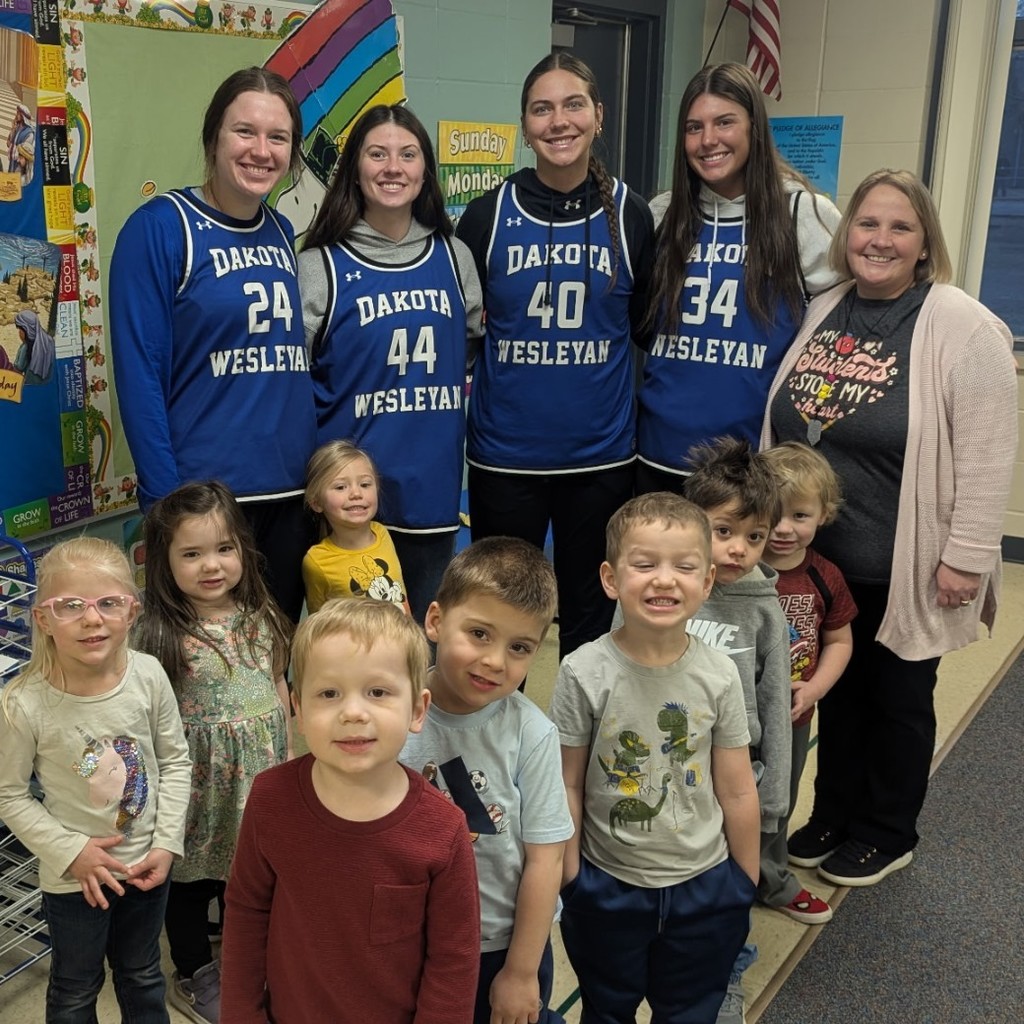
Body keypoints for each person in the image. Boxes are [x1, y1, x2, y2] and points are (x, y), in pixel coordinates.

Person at [762, 168, 1018, 886]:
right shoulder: (828, 306)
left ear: (923, 242)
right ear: (847, 237)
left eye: (899, 227)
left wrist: (965, 557)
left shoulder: (962, 325)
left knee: (898, 701)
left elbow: (990, 453)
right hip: (822, 561)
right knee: (836, 696)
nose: (880, 239)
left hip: (905, 562)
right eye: (867, 225)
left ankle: (887, 829)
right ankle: (833, 815)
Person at [455, 52, 655, 660]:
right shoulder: (488, 215)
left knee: (590, 625)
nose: (558, 120)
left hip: (599, 461)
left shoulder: (632, 213)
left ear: (598, 115)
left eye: (573, 105)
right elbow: (464, 332)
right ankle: (489, 747)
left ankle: (577, 752)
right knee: (499, 615)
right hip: (505, 459)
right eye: (542, 108)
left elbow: (644, 327)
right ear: (525, 124)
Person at [110, 66, 317, 623]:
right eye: (244, 132)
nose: (261, 150)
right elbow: (140, 375)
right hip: (206, 505)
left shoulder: (281, 231)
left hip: (289, 493)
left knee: (277, 660)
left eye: (278, 137)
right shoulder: (159, 228)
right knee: (202, 677)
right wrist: (168, 508)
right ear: (212, 138)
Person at [550, 492, 758, 1024]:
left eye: (684, 567)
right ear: (611, 578)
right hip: (607, 885)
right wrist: (573, 877)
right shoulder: (582, 671)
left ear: (707, 581)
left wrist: (744, 880)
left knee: (690, 1012)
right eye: (644, 564)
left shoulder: (720, 673)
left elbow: (736, 786)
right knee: (606, 1009)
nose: (664, 580)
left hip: (705, 885)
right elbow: (567, 783)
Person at [220, 599, 480, 1023]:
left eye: (377, 692)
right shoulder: (269, 800)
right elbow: (247, 912)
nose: (353, 712)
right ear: (298, 711)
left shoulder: (443, 830)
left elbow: (454, 960)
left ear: (417, 709)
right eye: (328, 693)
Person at [298, 104, 482, 626]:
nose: (392, 167)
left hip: (432, 491)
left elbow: (469, 345)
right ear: (355, 167)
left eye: (408, 154)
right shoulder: (320, 266)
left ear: (425, 170)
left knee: (420, 643)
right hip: (348, 502)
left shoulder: (453, 256)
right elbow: (296, 379)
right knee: (352, 650)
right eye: (377, 154)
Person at [0, 538, 192, 1023]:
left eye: (108, 603)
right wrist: (72, 852)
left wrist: (166, 844)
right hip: (72, 880)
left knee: (142, 972)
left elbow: (174, 763)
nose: (92, 619)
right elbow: (9, 794)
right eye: (71, 606)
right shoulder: (23, 704)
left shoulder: (147, 675)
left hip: (146, 866)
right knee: (74, 987)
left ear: (132, 611)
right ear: (43, 619)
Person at [636, 62, 841, 493]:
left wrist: (958, 334)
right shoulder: (662, 214)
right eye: (694, 127)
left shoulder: (802, 213)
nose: (708, 139)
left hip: (751, 466)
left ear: (754, 127)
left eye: (724, 122)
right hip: (657, 452)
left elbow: (867, 304)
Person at [134, 481, 293, 1024]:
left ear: (243, 551)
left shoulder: (262, 615)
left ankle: (244, 957)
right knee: (192, 880)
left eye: (224, 549)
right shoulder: (158, 633)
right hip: (198, 791)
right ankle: (195, 971)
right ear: (165, 561)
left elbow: (278, 692)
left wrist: (289, 761)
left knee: (247, 876)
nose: (212, 565)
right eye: (192, 553)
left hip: (259, 782)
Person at [400, 537, 573, 1024]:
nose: (496, 661)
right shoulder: (392, 716)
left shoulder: (532, 734)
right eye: (479, 634)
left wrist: (519, 973)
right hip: (407, 937)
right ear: (435, 621)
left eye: (519, 647)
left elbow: (546, 859)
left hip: (498, 945)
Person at [681, 438, 792, 1024]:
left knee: (728, 893)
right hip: (666, 773)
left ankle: (725, 978)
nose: (740, 550)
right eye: (725, 531)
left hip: (736, 782)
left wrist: (771, 797)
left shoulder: (762, 609)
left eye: (754, 537)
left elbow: (776, 705)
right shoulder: (662, 594)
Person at [759, 441, 857, 922]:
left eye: (799, 515)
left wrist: (815, 688)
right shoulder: (732, 572)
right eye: (772, 513)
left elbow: (839, 641)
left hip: (792, 718)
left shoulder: (824, 576)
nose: (782, 528)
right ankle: (713, 880)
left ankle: (773, 881)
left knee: (777, 805)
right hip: (726, 717)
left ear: (824, 514)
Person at [302, 440, 410, 614]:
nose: (356, 494)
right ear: (316, 502)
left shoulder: (382, 533)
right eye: (340, 487)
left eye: (365, 484)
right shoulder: (316, 562)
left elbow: (400, 595)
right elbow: (318, 622)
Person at [13, 309, 55, 385]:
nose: (19, 333)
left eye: (20, 330)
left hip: (31, 388)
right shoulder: (50, 341)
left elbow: (17, 370)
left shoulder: (25, 348)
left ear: (27, 330)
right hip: (49, 387)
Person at [7, 102, 35, 184]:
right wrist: (13, 128)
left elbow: (26, 151)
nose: (16, 115)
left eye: (18, 113)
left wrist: (20, 153)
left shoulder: (29, 133)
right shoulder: (17, 128)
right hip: (13, 162)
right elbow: (8, 143)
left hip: (21, 164)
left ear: (23, 116)